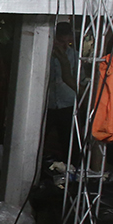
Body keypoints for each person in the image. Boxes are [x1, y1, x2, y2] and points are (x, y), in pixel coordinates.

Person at [45, 22, 78, 162]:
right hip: (48, 103)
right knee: (40, 138)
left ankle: (71, 167)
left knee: (69, 141)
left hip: (67, 102)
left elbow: (78, 79)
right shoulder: (45, 55)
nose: (64, 46)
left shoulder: (75, 56)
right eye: (60, 41)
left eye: (67, 41)